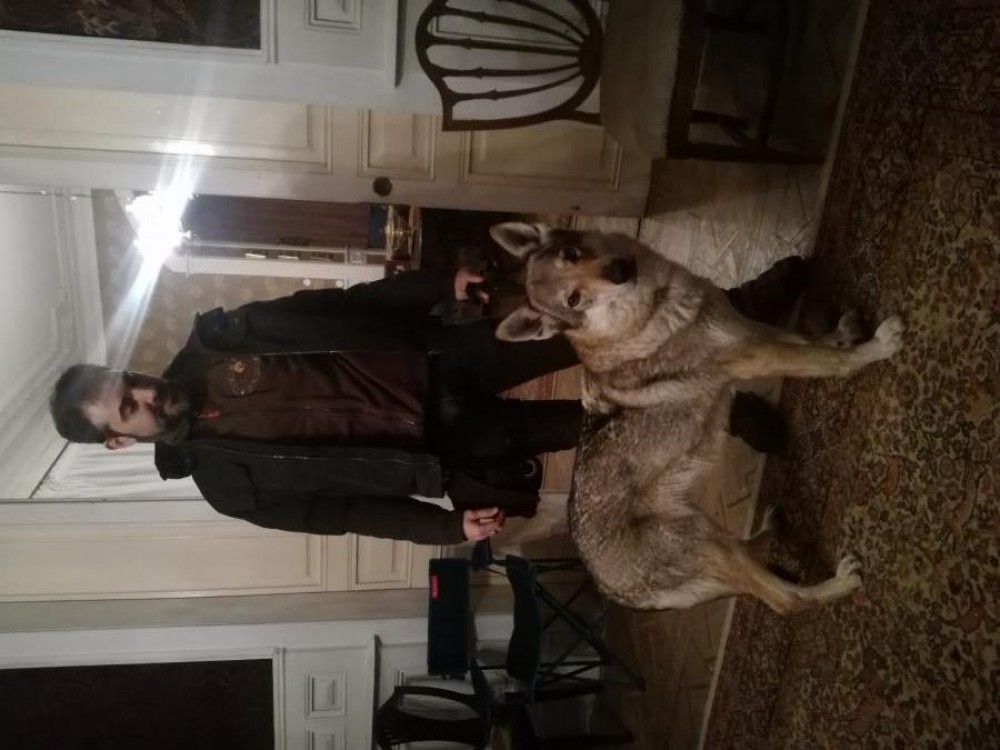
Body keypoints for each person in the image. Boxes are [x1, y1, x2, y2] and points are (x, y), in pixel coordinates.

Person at [50, 258, 804, 545]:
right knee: (598, 423)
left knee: (598, 327)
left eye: (129, 380)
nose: (145, 392)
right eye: (128, 409)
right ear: (119, 441)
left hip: (446, 355)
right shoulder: (227, 487)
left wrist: (433, 285)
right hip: (447, 445)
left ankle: (742, 304)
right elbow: (345, 514)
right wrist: (444, 527)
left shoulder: (222, 335)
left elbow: (344, 305)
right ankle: (725, 409)